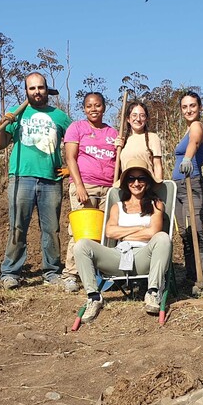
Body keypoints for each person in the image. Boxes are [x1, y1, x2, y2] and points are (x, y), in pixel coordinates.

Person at [0, 72, 72, 290]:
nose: (37, 92)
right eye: (32, 88)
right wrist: (3, 123)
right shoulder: (16, 114)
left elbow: (76, 141)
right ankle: (10, 272)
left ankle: (52, 272)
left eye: (40, 88)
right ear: (26, 92)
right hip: (22, 177)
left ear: (47, 90)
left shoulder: (59, 116)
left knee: (51, 228)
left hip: (50, 179)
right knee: (18, 226)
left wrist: (70, 169)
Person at [74, 160, 172, 323]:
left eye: (141, 178)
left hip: (144, 257)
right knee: (81, 245)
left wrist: (124, 233)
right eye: (131, 179)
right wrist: (141, 228)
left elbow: (154, 232)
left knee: (162, 238)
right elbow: (110, 232)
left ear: (147, 182)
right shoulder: (117, 207)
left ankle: (153, 292)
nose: (136, 183)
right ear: (126, 183)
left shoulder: (156, 204)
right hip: (118, 257)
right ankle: (94, 297)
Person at [61, 92, 118, 292]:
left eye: (97, 105)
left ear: (104, 107)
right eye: (89, 106)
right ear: (84, 109)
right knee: (81, 231)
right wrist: (79, 186)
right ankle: (71, 273)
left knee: (105, 233)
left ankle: (101, 272)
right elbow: (70, 158)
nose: (93, 109)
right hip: (85, 186)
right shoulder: (76, 128)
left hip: (108, 189)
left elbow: (118, 161)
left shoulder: (113, 133)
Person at [173, 91, 203, 290]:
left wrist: (188, 159)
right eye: (185, 107)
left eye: (192, 106)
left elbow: (195, 142)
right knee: (186, 233)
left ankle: (201, 277)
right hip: (179, 185)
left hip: (191, 183)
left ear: (200, 107)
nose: (189, 110)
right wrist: (198, 159)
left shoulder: (196, 126)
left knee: (196, 231)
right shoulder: (187, 129)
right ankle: (191, 275)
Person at [115, 100, 164, 181]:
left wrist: (158, 187)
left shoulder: (152, 137)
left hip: (146, 186)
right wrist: (116, 149)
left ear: (146, 119)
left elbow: (157, 165)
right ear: (128, 119)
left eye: (142, 116)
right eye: (134, 115)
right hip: (128, 186)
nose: (138, 119)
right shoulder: (123, 140)